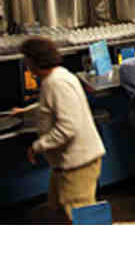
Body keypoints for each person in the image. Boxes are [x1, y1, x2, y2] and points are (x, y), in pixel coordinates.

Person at [15, 37, 105, 220]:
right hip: (67, 164)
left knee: (79, 218)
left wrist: (38, 146)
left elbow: (68, 128)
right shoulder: (60, 76)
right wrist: (25, 111)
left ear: (34, 60)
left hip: (78, 164)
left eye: (26, 59)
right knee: (57, 211)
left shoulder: (56, 83)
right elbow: (53, 106)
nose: (26, 64)